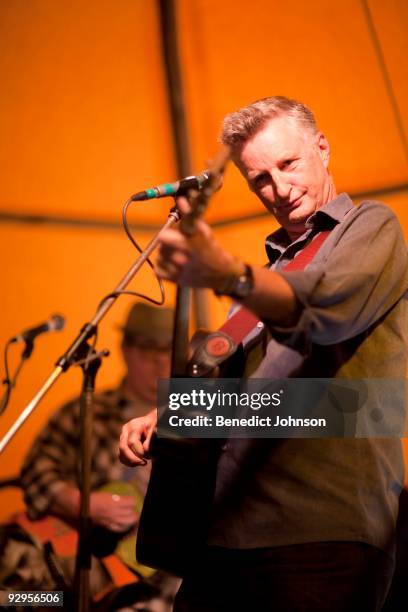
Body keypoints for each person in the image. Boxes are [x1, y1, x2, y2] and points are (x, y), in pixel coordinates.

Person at [119, 96, 408, 611]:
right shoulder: (266, 284)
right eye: (260, 179)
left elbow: (328, 310)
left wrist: (231, 276)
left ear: (322, 147)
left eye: (288, 164)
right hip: (226, 534)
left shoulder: (370, 227)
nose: (278, 188)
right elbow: (260, 396)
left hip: (322, 530)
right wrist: (170, 414)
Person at [11, 302, 179, 610]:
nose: (160, 363)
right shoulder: (84, 412)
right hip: (74, 569)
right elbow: (35, 472)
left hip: (162, 582)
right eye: (148, 351)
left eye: (169, 351)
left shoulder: (197, 421)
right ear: (125, 349)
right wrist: (82, 505)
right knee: (14, 598)